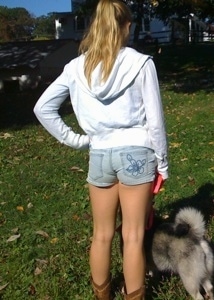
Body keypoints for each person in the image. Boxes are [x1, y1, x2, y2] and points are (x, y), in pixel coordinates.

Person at [33, 0, 168, 299]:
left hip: (100, 155)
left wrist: (78, 140)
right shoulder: (142, 63)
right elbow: (155, 122)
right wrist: (163, 164)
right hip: (137, 153)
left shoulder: (75, 68)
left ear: (96, 26)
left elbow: (42, 108)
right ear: (126, 26)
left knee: (101, 235)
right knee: (132, 236)